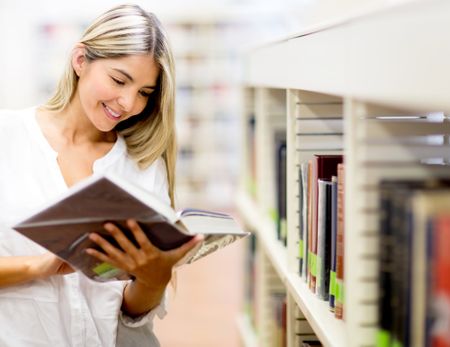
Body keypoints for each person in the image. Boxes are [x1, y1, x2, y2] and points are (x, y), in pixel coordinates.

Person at [0, 4, 202, 347]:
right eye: (119, 80)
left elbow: (131, 313)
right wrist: (42, 266)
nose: (127, 103)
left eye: (144, 93)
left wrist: (153, 279)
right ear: (81, 60)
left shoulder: (142, 163)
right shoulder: (9, 136)